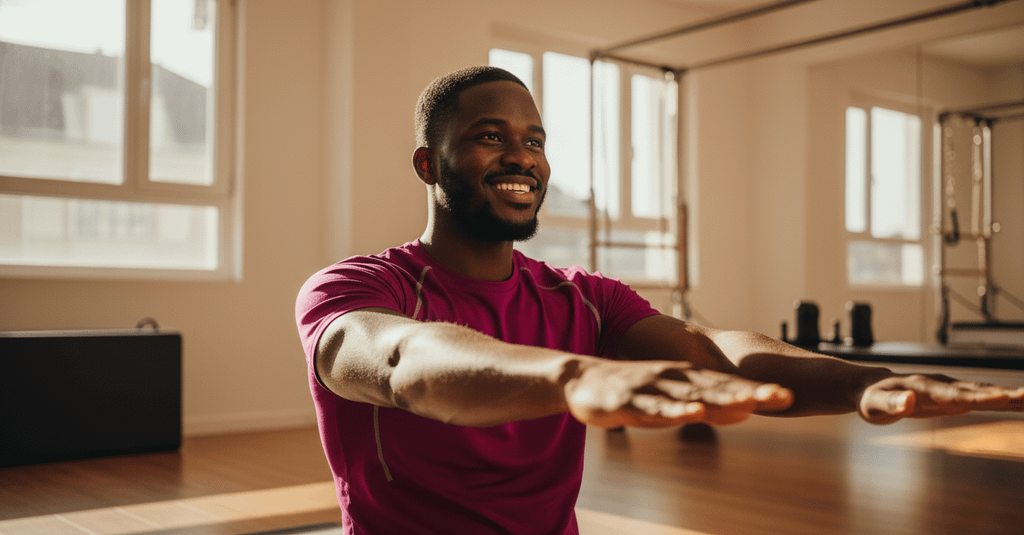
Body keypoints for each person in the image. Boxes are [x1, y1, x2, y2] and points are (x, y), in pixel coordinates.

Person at [295, 66, 1024, 535]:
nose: (521, 156)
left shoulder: (580, 297)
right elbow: (401, 363)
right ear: (429, 163)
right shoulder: (357, 288)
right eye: (490, 137)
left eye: (534, 140)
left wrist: (865, 382)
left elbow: (712, 353)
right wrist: (578, 375)